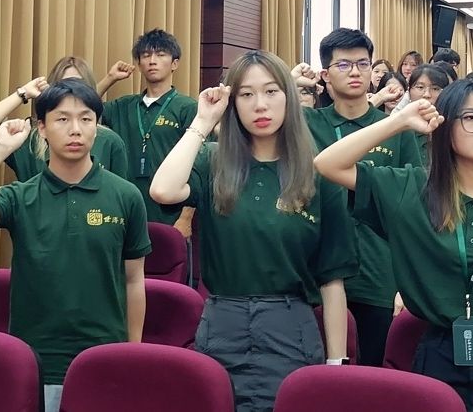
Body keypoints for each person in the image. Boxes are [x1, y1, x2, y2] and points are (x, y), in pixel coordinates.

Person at [314, 81, 473, 412]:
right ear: (445, 125)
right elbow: (328, 163)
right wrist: (399, 120)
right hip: (439, 359)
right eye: (471, 118)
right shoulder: (411, 190)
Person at [150, 51, 354, 411]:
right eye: (246, 94)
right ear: (233, 102)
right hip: (222, 321)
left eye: (271, 91)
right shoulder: (214, 161)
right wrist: (202, 121)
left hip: (290, 326)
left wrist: (337, 364)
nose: (260, 105)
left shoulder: (318, 172)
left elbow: (332, 280)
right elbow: (163, 190)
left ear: (289, 97)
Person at [0, 79, 149, 412]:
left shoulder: (126, 196)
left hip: (103, 356)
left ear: (97, 126)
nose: (75, 129)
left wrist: (132, 352)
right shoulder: (21, 196)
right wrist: (0, 148)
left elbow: (134, 280)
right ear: (41, 128)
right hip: (34, 358)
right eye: (62, 119)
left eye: (86, 119)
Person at [297, 29, 419, 367]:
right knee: (316, 371)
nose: (355, 72)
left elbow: (412, 209)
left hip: (377, 271)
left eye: (363, 64)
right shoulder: (306, 124)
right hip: (314, 266)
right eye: (343, 65)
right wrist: (292, 81)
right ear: (325, 75)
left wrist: (406, 281)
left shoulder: (396, 129)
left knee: (373, 375)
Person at [0, 57, 129, 180]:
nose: (72, 91)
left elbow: (119, 195)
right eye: (65, 84)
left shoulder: (109, 141)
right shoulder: (31, 137)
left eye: (80, 84)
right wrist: (24, 92)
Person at [101, 29, 198, 231]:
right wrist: (110, 78)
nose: (152, 61)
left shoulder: (187, 107)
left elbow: (199, 166)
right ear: (138, 64)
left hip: (171, 215)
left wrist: (186, 218)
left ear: (175, 63)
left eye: (160, 55)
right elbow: (82, 107)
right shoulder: (123, 106)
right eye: (145, 56)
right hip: (126, 212)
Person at [406, 64, 453, 167]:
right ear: (409, 91)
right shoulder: (400, 128)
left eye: (435, 88)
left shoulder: (452, 129)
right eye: (420, 87)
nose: (426, 94)